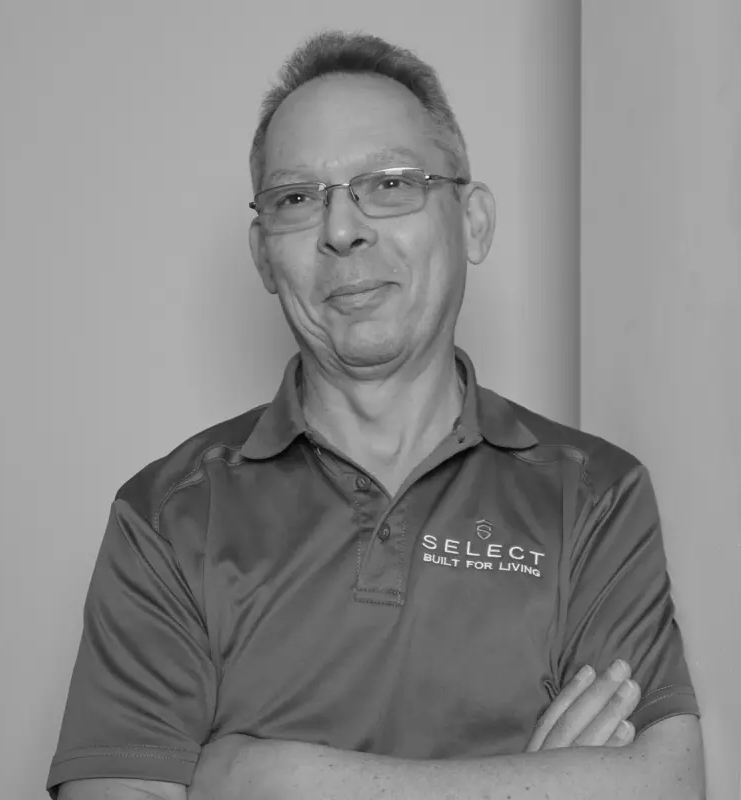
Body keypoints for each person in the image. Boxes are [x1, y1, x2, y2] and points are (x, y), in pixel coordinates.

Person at [49, 31, 704, 800]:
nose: (340, 229)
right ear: (264, 254)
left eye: (389, 183)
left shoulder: (595, 494)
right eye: (297, 199)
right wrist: (536, 783)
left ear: (474, 223)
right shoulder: (165, 516)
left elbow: (664, 783)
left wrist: (272, 776)